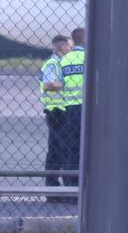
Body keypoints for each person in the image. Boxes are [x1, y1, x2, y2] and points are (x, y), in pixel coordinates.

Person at [55, 28, 86, 202]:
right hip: (88, 108)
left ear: (73, 42)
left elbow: (59, 84)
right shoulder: (92, 57)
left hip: (70, 109)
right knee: (90, 149)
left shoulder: (65, 60)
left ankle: (70, 189)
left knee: (71, 149)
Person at [39, 35, 71, 203]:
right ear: (63, 47)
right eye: (69, 47)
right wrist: (68, 82)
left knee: (56, 149)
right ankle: (58, 187)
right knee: (61, 150)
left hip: (59, 111)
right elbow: (48, 84)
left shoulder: (59, 63)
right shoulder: (54, 64)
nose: (71, 50)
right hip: (56, 111)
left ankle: (53, 188)